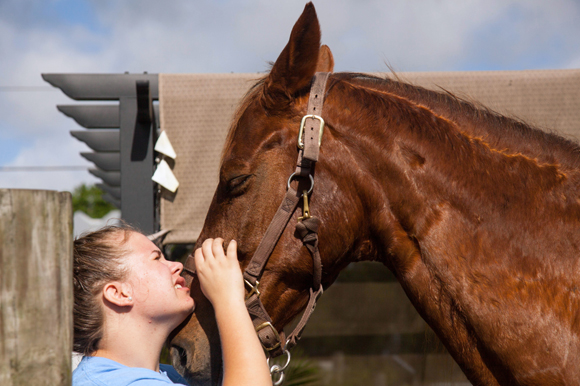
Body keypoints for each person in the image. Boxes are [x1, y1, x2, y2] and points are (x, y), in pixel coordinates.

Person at [72, 224, 271, 386]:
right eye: (157, 258)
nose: (177, 266)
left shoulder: (166, 377)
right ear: (119, 293)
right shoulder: (112, 383)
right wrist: (228, 298)